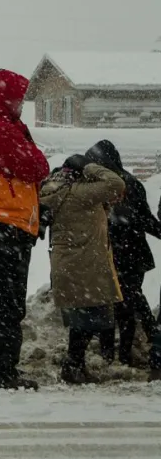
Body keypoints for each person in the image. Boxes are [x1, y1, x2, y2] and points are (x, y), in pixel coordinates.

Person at [0, 69, 49, 390]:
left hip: (2, 226)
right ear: (4, 99)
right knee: (6, 304)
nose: (20, 104)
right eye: (17, 98)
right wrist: (25, 140)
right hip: (6, 225)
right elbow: (37, 166)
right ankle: (0, 371)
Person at [41, 154, 125, 384]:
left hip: (69, 263)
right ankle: (73, 365)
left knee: (82, 320)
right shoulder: (79, 192)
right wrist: (91, 167)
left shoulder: (55, 189)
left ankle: (75, 364)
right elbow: (117, 183)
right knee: (90, 319)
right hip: (84, 263)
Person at [85, 140, 161, 367]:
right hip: (128, 255)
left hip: (118, 255)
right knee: (126, 302)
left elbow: (141, 219)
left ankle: (114, 353)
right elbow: (146, 219)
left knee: (117, 304)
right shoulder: (129, 184)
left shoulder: (114, 186)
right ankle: (127, 350)